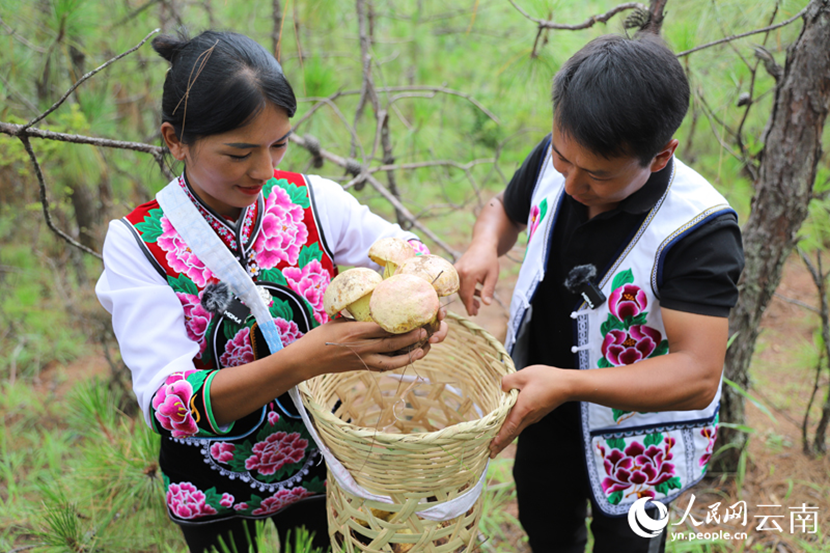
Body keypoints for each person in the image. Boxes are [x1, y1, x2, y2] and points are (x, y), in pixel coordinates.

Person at [95, 30, 447, 553]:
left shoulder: (313, 202)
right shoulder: (138, 245)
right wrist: (309, 358)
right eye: (239, 152)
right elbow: (170, 406)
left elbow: (407, 251)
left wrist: (420, 294)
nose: (263, 170)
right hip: (213, 487)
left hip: (327, 470)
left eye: (277, 145)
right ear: (175, 139)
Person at [455, 34, 744, 553]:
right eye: (564, 161)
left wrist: (570, 384)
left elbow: (699, 374)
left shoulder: (699, 230)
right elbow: (506, 208)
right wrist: (482, 246)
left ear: (660, 157)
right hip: (544, 406)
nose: (570, 184)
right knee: (544, 525)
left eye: (598, 176)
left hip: (640, 441)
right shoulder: (566, 151)